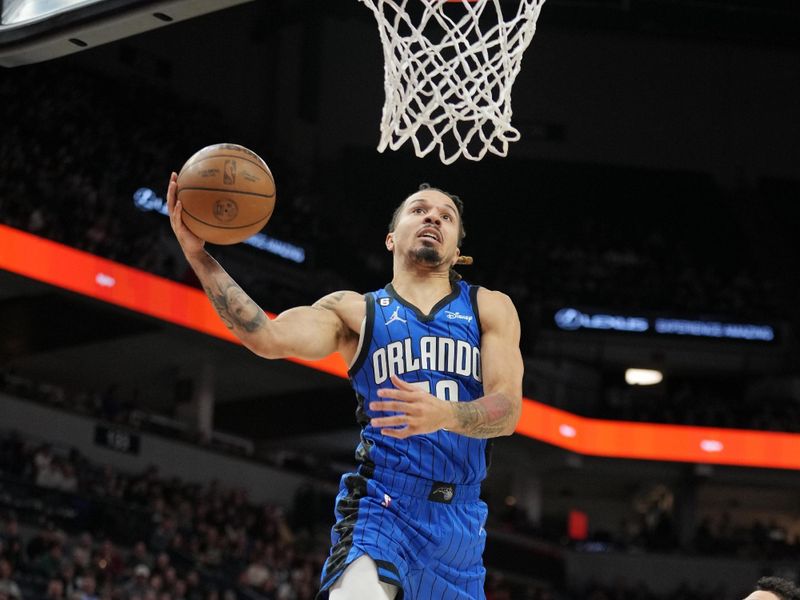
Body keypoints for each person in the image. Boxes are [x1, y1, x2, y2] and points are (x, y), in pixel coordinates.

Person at [167, 175, 523, 600]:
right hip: (384, 503)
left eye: (446, 216)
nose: (433, 217)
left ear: (457, 250)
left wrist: (446, 414)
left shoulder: (489, 307)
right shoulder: (355, 312)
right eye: (419, 210)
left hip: (461, 522)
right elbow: (267, 336)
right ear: (391, 238)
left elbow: (508, 411)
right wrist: (199, 255)